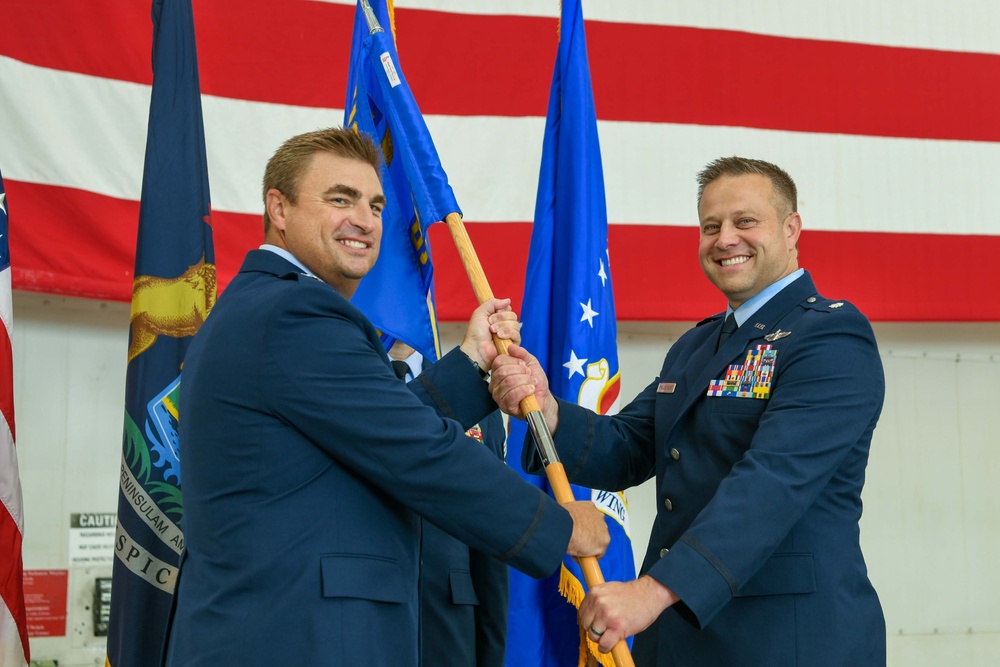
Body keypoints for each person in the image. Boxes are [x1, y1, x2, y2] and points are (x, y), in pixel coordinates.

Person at [160, 127, 609, 666]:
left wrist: (472, 363)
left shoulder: (268, 307)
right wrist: (558, 527)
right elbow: (417, 453)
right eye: (340, 199)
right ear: (278, 209)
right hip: (293, 639)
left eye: (375, 204)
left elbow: (375, 433)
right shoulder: (295, 313)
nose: (366, 220)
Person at [490, 156, 886, 666]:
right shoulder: (698, 345)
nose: (725, 239)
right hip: (683, 639)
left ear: (791, 230)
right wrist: (548, 410)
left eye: (745, 221)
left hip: (785, 641)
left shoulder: (830, 336)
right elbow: (630, 447)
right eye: (710, 226)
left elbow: (771, 484)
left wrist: (653, 592)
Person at [388, 341, 509, 667]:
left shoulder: (474, 394)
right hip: (361, 617)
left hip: (452, 622)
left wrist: (491, 651)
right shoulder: (343, 383)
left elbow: (489, 532)